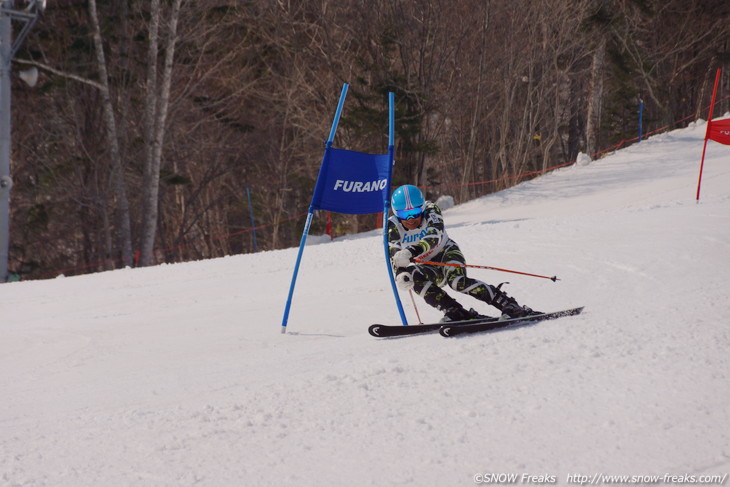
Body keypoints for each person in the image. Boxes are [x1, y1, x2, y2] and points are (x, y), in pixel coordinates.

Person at [388, 184, 539, 322]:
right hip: (428, 266)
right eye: (404, 214)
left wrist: (412, 251)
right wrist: (400, 273)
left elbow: (435, 235)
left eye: (415, 212)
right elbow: (394, 252)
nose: (411, 219)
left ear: (421, 207)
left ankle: (509, 305)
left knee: (457, 282)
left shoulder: (431, 209)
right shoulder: (392, 225)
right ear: (396, 213)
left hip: (446, 252)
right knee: (411, 274)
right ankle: (454, 310)